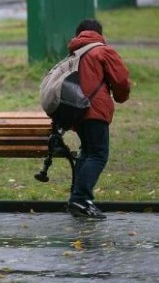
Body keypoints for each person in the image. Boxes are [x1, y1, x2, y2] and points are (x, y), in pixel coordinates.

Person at [66, 19, 131, 219]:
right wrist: (120, 97)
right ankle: (81, 198)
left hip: (77, 111)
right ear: (99, 33)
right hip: (96, 110)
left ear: (79, 34)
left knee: (87, 153)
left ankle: (77, 200)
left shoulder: (74, 53)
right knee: (98, 155)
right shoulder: (103, 51)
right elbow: (121, 81)